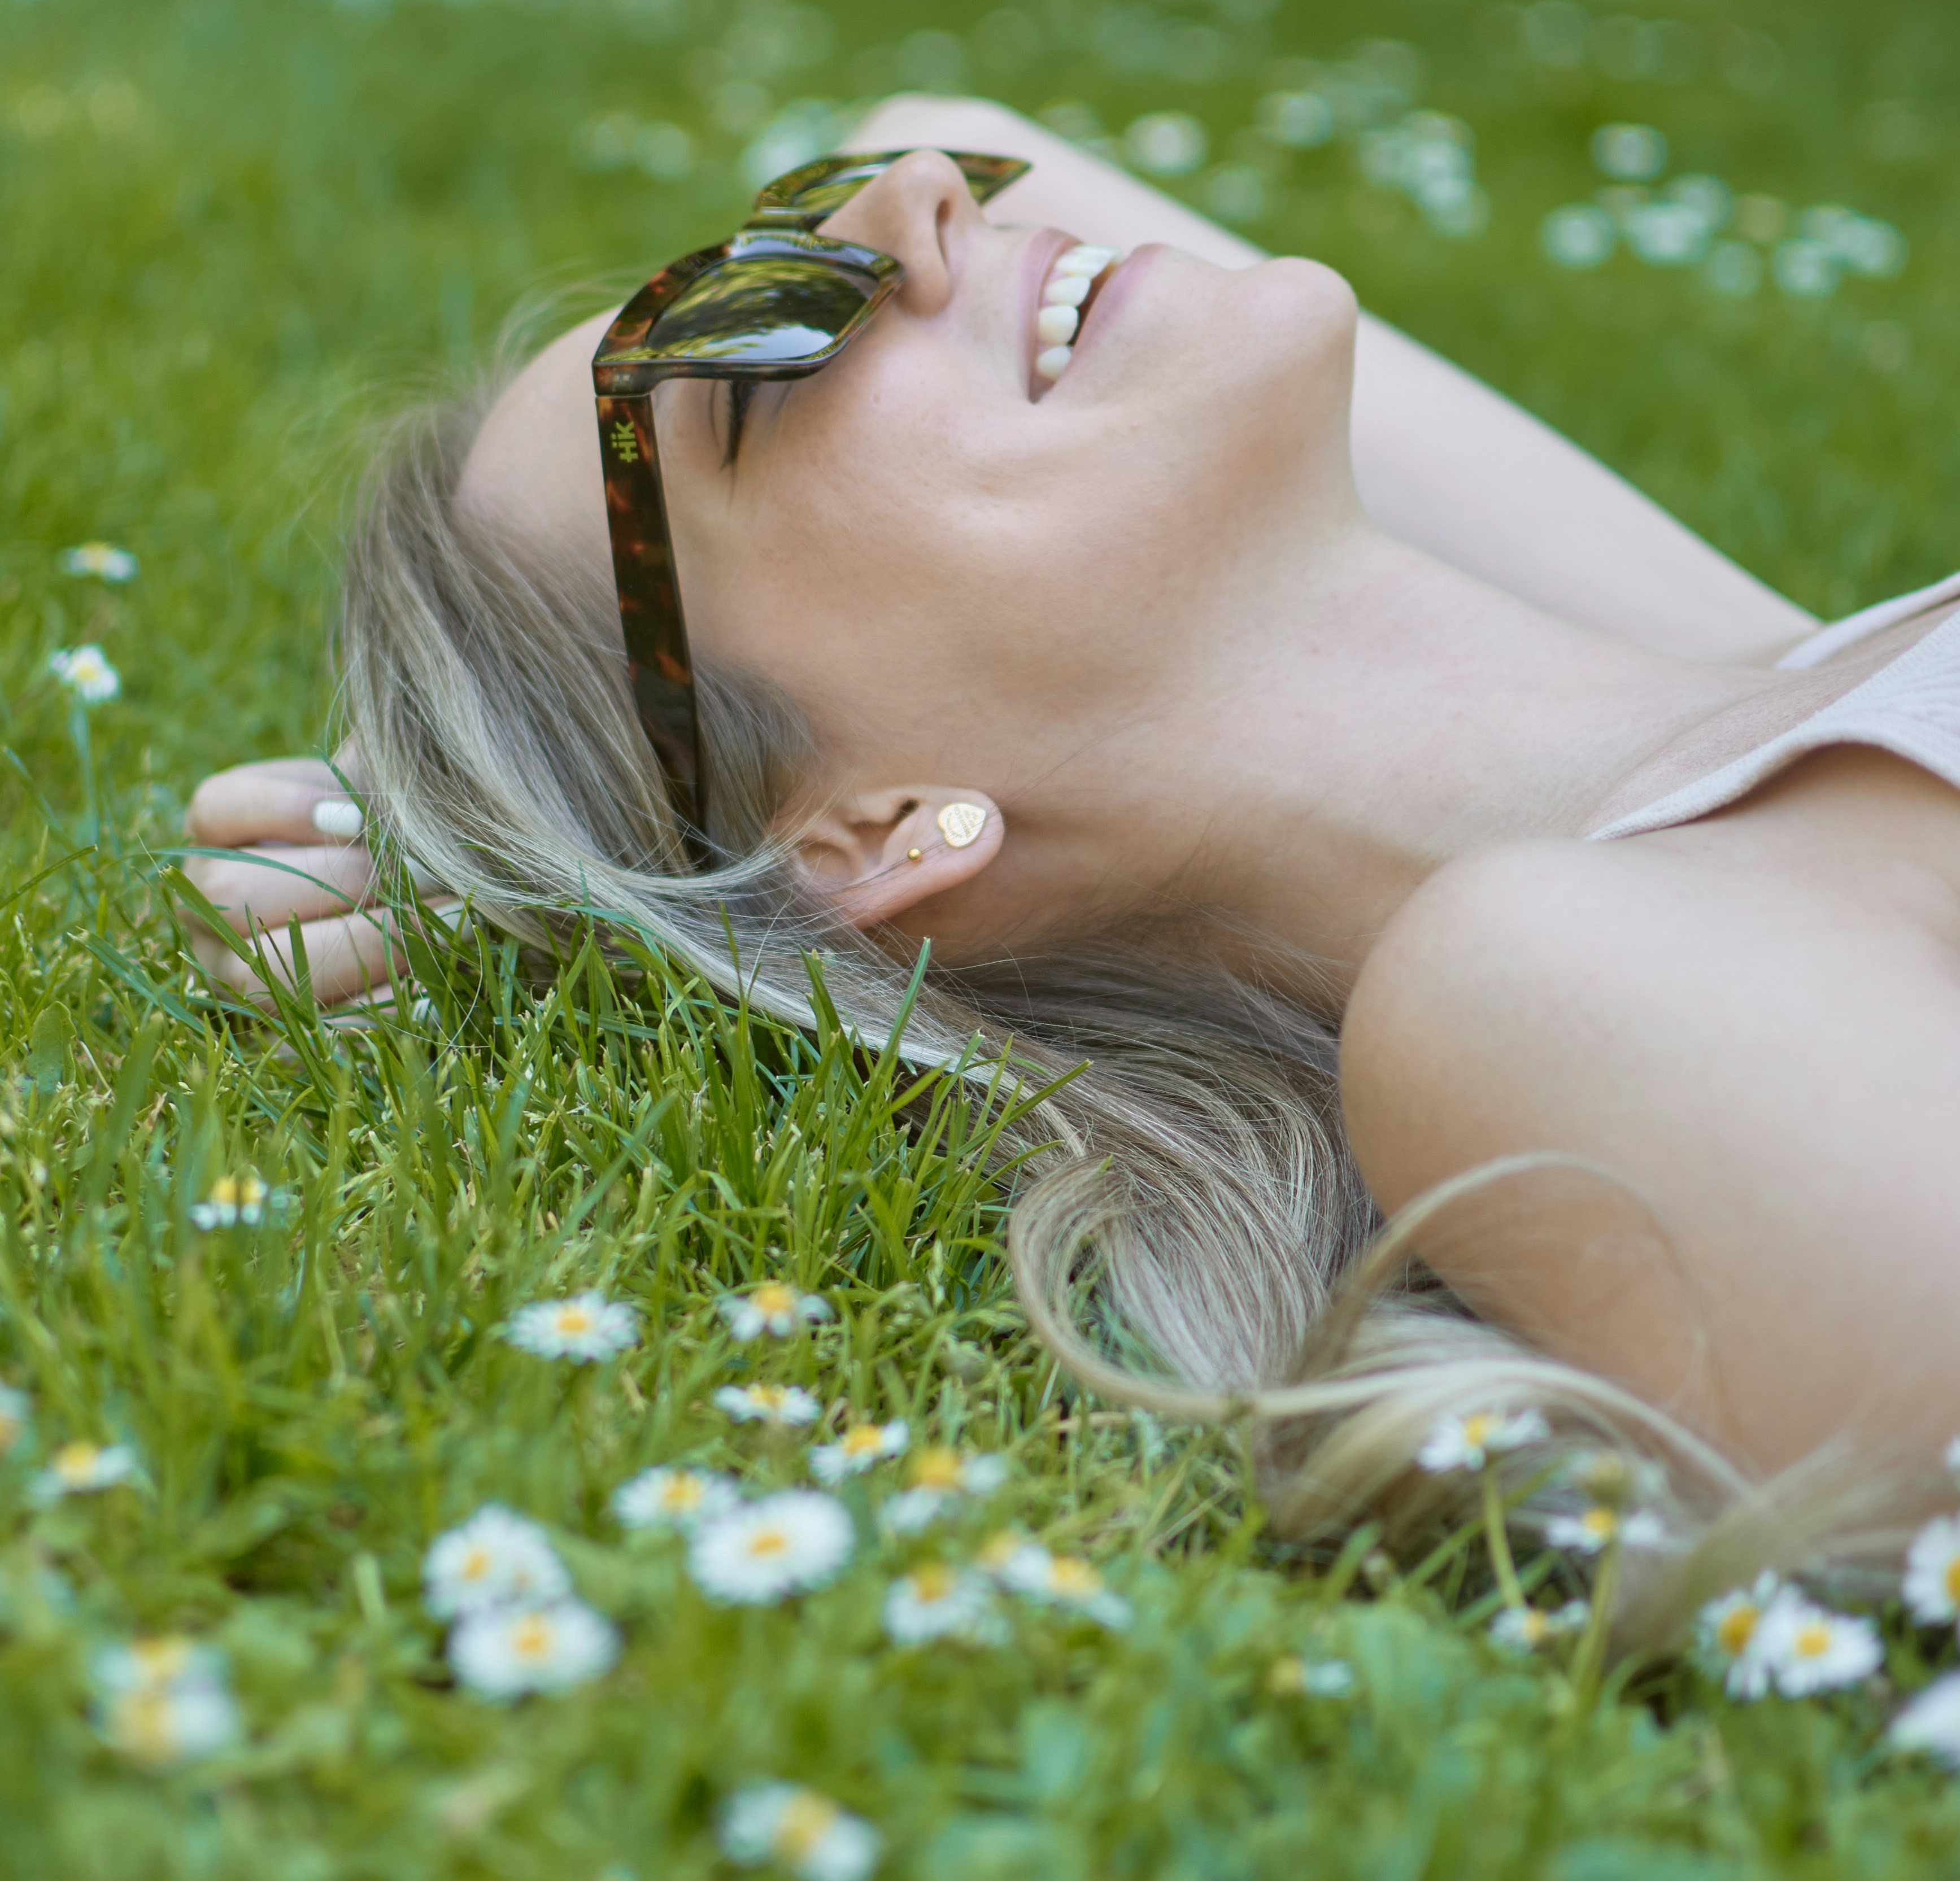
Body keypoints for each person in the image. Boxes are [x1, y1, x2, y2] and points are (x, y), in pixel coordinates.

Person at [183, 95, 1960, 1605]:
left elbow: (920, 123)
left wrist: (490, 811)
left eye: (785, 240)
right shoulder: (1555, 983)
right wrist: (528, 831)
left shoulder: (1761, 664)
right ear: (880, 829)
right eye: (750, 352)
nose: (913, 208)